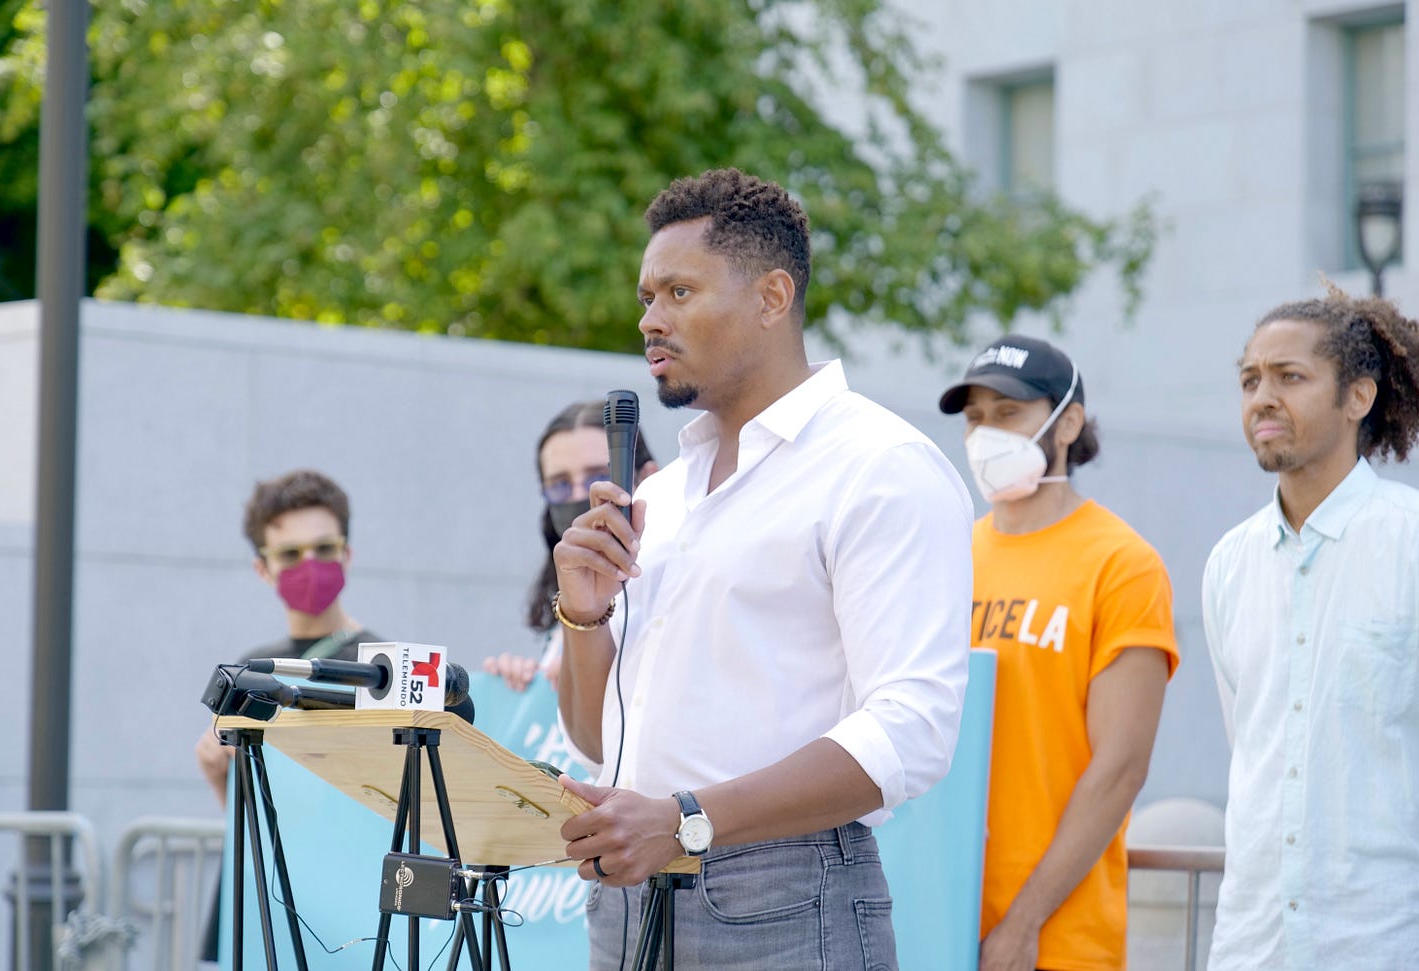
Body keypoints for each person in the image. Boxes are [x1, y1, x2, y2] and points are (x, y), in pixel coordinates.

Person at [550, 167, 974, 969]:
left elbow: (909, 730)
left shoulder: (881, 467)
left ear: (773, 298)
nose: (649, 320)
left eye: (678, 293)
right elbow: (598, 734)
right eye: (645, 297)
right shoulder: (664, 495)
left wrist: (683, 817)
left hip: (782, 898)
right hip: (627, 897)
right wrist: (583, 615)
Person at [937, 335, 1179, 971]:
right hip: (940, 916)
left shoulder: (1121, 565)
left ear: (1067, 422)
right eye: (975, 419)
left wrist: (1024, 922)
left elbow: (1120, 768)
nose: (986, 433)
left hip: (1057, 938)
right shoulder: (949, 560)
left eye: (1008, 413)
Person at [1202, 285, 1419, 969]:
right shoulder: (1228, 565)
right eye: (1249, 379)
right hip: (1252, 943)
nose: (1262, 397)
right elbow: (1252, 748)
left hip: (1382, 941)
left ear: (1358, 397)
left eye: (1289, 377)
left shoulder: (1410, 543)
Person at [193, 468, 384, 962]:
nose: (310, 564)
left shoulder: (382, 668)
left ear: (347, 553)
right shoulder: (252, 665)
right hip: (269, 896)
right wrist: (218, 774)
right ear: (263, 567)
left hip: (351, 907)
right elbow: (251, 812)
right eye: (290, 553)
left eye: (324, 548)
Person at [482, 401, 657, 692]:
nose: (581, 496)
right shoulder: (566, 597)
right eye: (560, 485)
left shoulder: (674, 583)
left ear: (648, 478)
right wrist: (523, 684)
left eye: (599, 477)